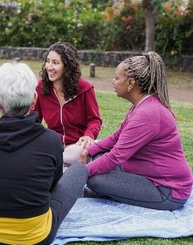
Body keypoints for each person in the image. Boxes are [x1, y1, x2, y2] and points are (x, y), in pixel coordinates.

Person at [0, 62, 88, 245]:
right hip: (37, 234)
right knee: (80, 169)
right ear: (34, 100)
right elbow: (53, 185)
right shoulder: (51, 140)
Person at [79, 51, 193, 211]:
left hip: (167, 190)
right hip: (147, 175)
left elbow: (116, 156)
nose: (113, 81)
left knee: (95, 179)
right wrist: (89, 151)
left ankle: (103, 190)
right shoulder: (141, 106)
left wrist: (79, 173)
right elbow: (117, 137)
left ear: (131, 83)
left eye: (117, 78)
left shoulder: (148, 113)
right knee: (97, 158)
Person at [31, 42, 102, 166]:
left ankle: (58, 162)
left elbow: (94, 119)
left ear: (67, 66)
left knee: (85, 151)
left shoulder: (85, 88)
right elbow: (34, 119)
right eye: (47, 61)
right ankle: (62, 163)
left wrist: (88, 136)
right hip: (53, 145)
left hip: (77, 146)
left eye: (55, 63)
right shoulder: (41, 87)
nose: (49, 67)